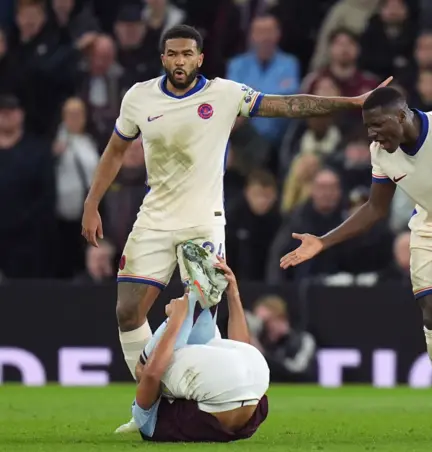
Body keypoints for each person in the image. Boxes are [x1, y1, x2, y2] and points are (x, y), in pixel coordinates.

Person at [80, 24, 390, 385]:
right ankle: (149, 403)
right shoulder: (139, 97)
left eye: (187, 54)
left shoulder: (225, 94)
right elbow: (116, 149)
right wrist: (92, 202)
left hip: (204, 222)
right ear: (163, 58)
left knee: (200, 317)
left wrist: (350, 103)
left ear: (200, 58)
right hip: (155, 218)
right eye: (173, 54)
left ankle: (184, 398)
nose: (180, 61)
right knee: (128, 312)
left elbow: (288, 104)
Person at [280, 87, 432, 439]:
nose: (372, 134)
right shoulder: (380, 153)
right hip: (427, 225)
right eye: (368, 127)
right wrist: (322, 241)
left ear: (401, 116)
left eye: (378, 125)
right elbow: (375, 209)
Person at [131, 250, 270, 442]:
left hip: (255, 379)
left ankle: (195, 301)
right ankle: (193, 298)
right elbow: (149, 374)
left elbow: (151, 374)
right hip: (246, 371)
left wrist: (176, 319)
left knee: (149, 368)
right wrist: (176, 319)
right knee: (144, 367)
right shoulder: (152, 420)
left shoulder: (148, 424)